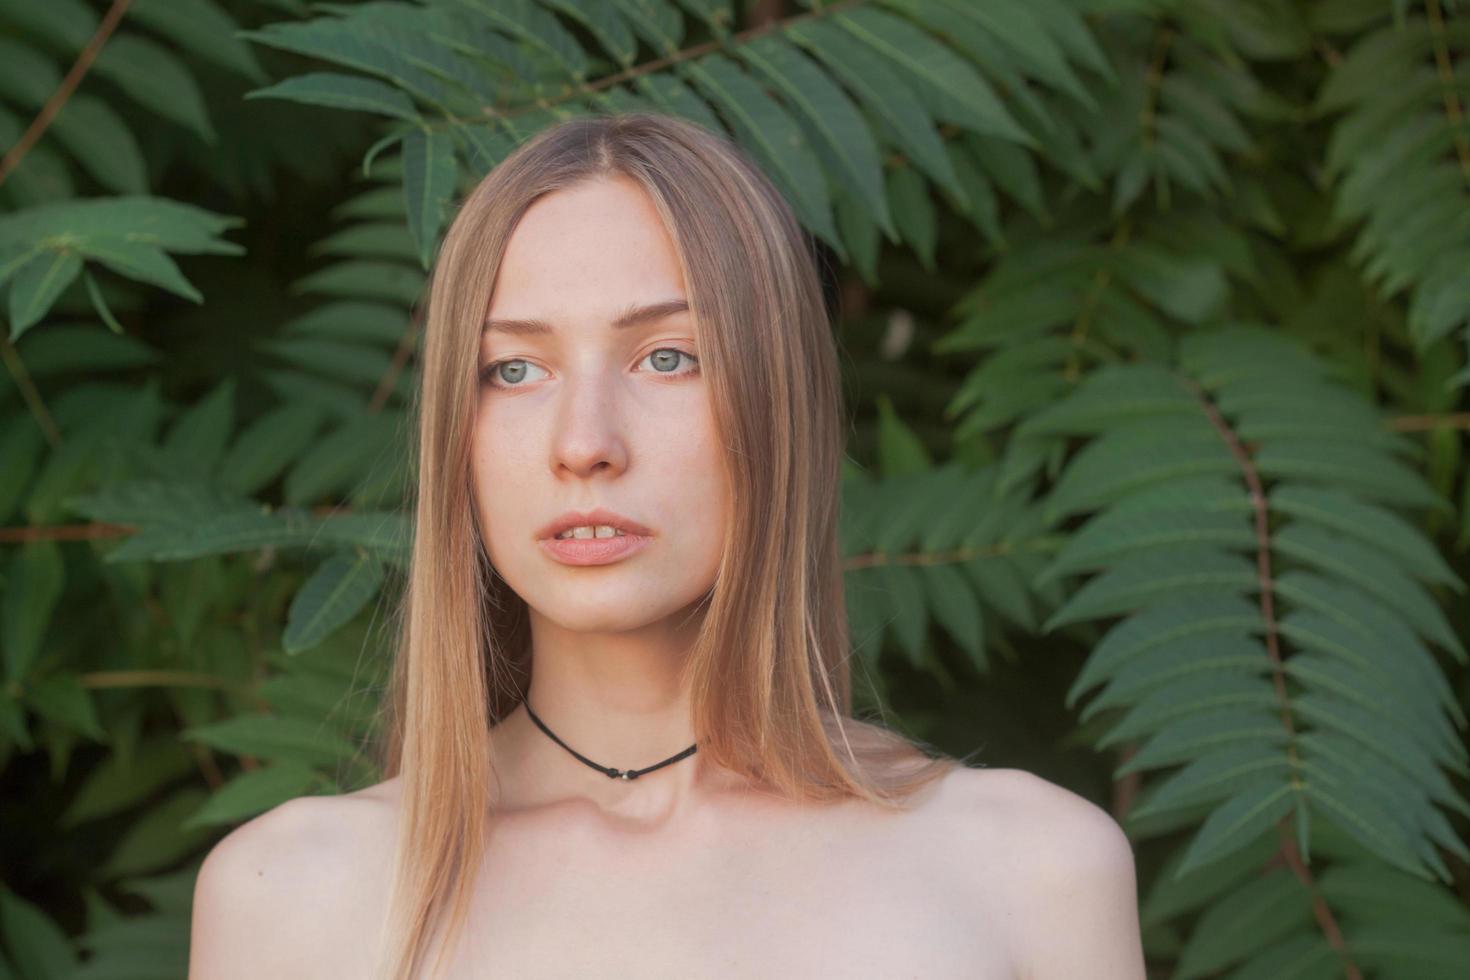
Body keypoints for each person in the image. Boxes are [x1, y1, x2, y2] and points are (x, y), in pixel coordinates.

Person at [188, 112, 1146, 979]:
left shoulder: (1029, 868)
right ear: (457, 437)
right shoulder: (290, 899)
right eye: (514, 368)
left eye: (668, 357)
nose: (584, 443)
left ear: (779, 407)